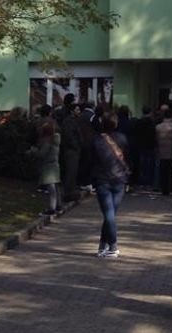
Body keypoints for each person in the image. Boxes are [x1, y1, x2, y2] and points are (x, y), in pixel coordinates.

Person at [92, 111, 130, 258]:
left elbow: (91, 161)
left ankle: (108, 245)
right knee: (111, 214)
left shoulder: (96, 140)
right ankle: (107, 245)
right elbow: (128, 156)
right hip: (119, 179)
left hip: (103, 180)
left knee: (109, 214)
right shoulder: (122, 138)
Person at [28, 121, 61, 215]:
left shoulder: (48, 142)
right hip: (55, 164)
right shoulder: (56, 140)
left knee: (51, 188)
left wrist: (33, 151)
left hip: (48, 166)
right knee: (55, 186)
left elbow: (41, 154)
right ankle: (58, 205)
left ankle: (52, 208)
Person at [59, 103, 83, 205]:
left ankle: (71, 192)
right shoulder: (69, 122)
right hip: (71, 150)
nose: (79, 112)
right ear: (72, 111)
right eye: (77, 110)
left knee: (73, 171)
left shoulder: (73, 121)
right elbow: (69, 136)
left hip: (73, 150)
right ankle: (68, 193)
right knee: (71, 171)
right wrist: (76, 146)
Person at [156, 111, 172, 196]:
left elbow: (156, 139)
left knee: (163, 172)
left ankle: (164, 190)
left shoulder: (158, 127)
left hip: (161, 152)